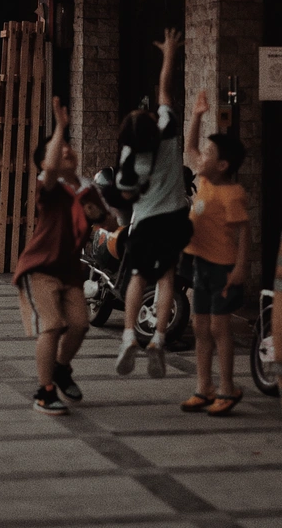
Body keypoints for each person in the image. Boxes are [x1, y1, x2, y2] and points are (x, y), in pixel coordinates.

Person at [13, 96, 106, 415]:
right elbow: (51, 167)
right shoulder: (49, 186)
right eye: (60, 148)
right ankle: (45, 390)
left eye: (69, 147)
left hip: (69, 271)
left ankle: (61, 368)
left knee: (80, 325)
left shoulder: (87, 188)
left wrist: (102, 215)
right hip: (40, 268)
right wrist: (60, 127)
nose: (67, 150)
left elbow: (108, 221)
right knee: (52, 326)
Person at [115, 28, 193, 379]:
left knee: (137, 276)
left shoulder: (130, 154)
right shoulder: (168, 130)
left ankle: (129, 335)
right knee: (166, 277)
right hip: (174, 219)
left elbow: (125, 193)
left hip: (145, 221)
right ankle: (159, 338)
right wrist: (169, 53)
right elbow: (165, 90)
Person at [180, 90, 249, 416]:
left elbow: (244, 231)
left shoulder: (231, 193)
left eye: (209, 154)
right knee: (200, 327)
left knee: (220, 329)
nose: (201, 157)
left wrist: (241, 268)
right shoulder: (206, 181)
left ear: (222, 165)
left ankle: (228, 387)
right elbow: (190, 147)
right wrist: (196, 115)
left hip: (223, 269)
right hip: (201, 266)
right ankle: (203, 386)